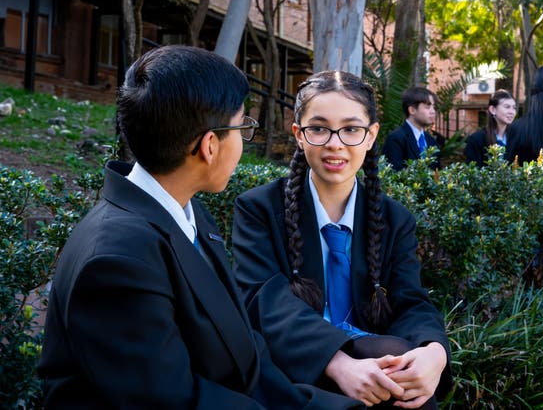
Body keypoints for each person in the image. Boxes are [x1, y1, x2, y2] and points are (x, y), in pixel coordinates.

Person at [37, 46, 359, 409]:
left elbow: (244, 350)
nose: (242, 142)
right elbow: (174, 401)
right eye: (243, 127)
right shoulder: (116, 260)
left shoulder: (188, 212)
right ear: (209, 146)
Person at [232, 71, 451, 409]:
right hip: (293, 360)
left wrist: (434, 353)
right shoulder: (259, 209)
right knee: (387, 365)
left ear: (371, 135)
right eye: (319, 128)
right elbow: (264, 300)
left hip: (373, 362)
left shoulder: (394, 220)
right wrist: (338, 362)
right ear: (299, 136)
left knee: (403, 369)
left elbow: (411, 300)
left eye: (351, 129)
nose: (335, 143)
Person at [381, 86, 440, 170]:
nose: (433, 111)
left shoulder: (431, 141)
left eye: (433, 107)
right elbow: (393, 175)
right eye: (427, 107)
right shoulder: (396, 139)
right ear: (412, 110)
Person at [464, 89, 517, 166]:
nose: (512, 112)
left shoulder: (516, 138)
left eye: (514, 108)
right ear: (492, 109)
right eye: (507, 107)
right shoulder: (476, 140)